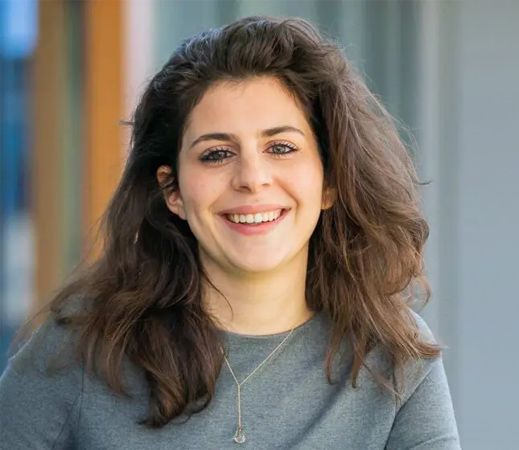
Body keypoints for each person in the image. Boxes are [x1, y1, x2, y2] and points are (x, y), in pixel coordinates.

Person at [0, 16, 460, 449]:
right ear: (173, 191)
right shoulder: (81, 347)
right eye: (217, 154)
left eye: (281, 147)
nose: (252, 179)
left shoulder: (394, 358)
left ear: (330, 182)